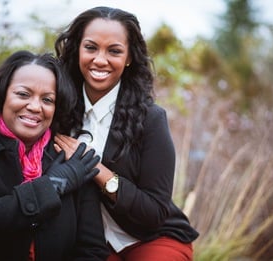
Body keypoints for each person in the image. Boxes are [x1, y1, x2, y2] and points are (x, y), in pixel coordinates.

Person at [54, 6, 199, 261]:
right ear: (77, 49)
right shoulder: (57, 107)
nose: (100, 59)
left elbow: (154, 211)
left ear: (129, 57)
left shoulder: (151, 119)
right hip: (86, 242)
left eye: (114, 51)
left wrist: (94, 168)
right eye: (91, 47)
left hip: (151, 237)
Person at [0, 50, 109, 261]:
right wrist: (53, 184)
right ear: (2, 95)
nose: (34, 106)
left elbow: (92, 250)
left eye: (47, 99)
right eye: (23, 94)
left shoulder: (70, 157)